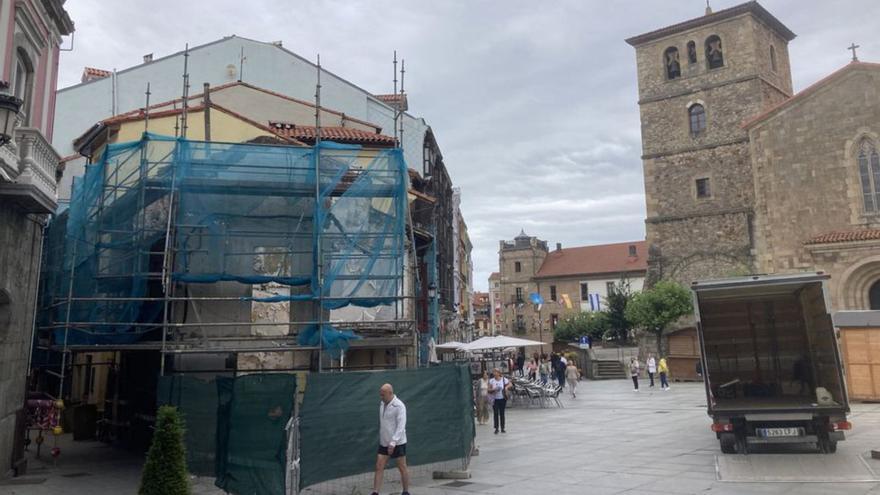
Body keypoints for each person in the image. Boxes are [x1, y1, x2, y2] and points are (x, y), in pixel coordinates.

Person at [372, 383, 409, 495]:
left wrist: (393, 442)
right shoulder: (382, 404)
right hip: (384, 442)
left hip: (397, 443)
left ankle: (406, 492)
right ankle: (375, 492)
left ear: (390, 393)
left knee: (402, 467)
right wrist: (386, 441)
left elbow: (401, 426)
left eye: (383, 395)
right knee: (379, 466)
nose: (381, 397)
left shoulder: (400, 406)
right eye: (380, 395)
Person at [488, 368, 511, 434]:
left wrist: (506, 387)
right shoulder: (491, 380)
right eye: (493, 372)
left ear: (499, 373)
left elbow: (510, 384)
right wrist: (493, 389)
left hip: (502, 398)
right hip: (495, 399)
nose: (494, 373)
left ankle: (502, 428)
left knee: (502, 413)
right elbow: (488, 389)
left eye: (496, 372)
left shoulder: (504, 379)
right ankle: (496, 428)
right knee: (495, 413)